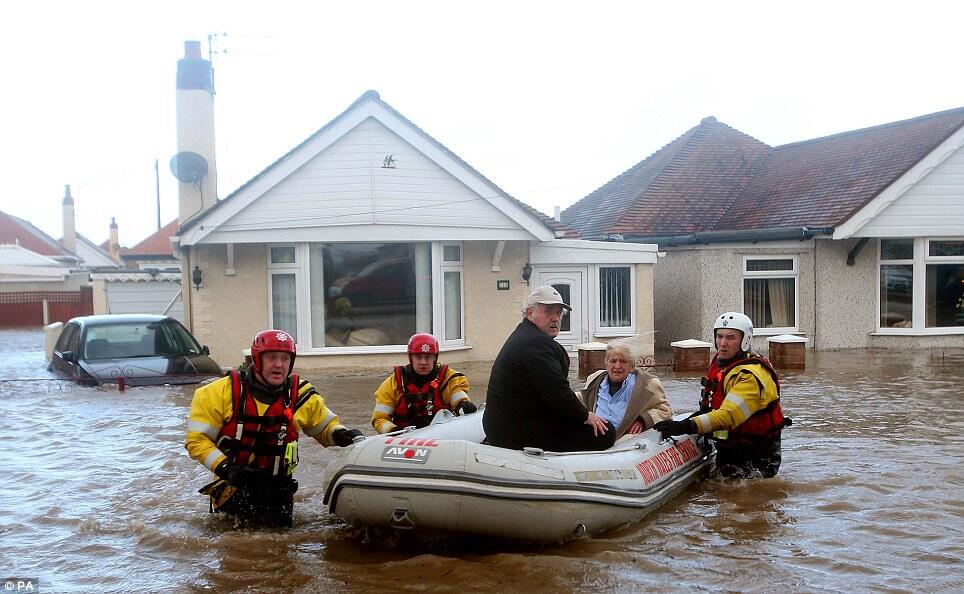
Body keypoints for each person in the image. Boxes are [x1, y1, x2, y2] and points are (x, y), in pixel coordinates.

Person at [185, 329, 363, 527]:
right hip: (233, 486)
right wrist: (226, 468)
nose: (279, 365)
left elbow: (324, 427)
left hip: (278, 490)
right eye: (271, 358)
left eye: (285, 358)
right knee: (234, 551)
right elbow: (196, 441)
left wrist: (340, 434)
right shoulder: (218, 393)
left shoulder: (300, 395)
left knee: (281, 552)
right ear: (256, 360)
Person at [654, 312, 790, 478]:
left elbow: (728, 416)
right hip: (729, 446)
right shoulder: (722, 363)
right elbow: (712, 405)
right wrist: (686, 421)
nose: (722, 344)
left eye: (730, 338)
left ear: (745, 340)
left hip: (757, 454)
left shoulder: (750, 376)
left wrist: (685, 426)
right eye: (719, 337)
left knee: (740, 497)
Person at [483, 286, 615, 452]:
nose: (555, 318)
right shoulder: (536, 344)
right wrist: (586, 415)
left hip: (504, 427)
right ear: (530, 313)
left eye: (559, 313)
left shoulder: (524, 335)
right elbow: (557, 391)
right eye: (548, 311)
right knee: (606, 432)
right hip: (517, 434)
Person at [371, 333, 476, 433]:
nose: (423, 362)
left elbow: (459, 400)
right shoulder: (392, 384)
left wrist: (463, 406)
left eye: (428, 357)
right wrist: (394, 431)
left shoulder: (449, 379)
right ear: (411, 357)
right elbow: (379, 419)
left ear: (435, 358)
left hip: (442, 435)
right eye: (418, 357)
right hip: (404, 439)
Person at [581, 339, 673, 439]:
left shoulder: (648, 384)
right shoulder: (595, 380)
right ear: (606, 363)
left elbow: (665, 410)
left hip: (625, 441)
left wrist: (643, 420)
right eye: (613, 361)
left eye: (623, 361)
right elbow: (580, 400)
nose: (617, 366)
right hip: (595, 437)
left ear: (632, 366)